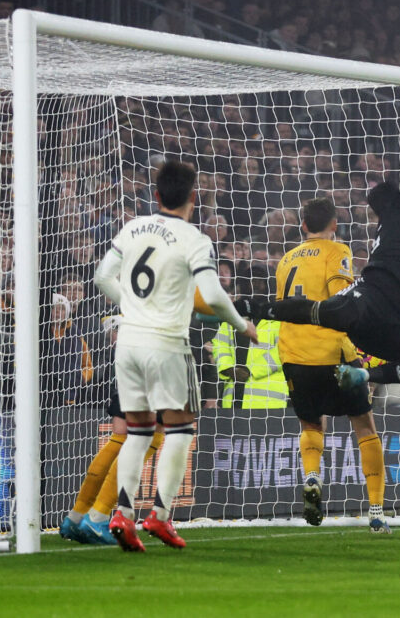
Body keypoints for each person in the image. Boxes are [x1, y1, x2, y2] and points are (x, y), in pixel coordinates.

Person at [234, 73, 400, 389]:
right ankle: (363, 373)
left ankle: (251, 309)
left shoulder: (390, 226)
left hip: (370, 316)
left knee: (313, 312)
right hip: (377, 310)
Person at [93, 160, 258, 551]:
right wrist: (241, 326)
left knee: (137, 430)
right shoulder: (194, 238)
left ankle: (123, 512)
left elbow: (102, 276)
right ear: (194, 197)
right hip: (167, 343)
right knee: (181, 429)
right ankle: (161, 517)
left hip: (128, 344)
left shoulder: (132, 227)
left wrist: (134, 308)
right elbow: (215, 295)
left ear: (156, 195)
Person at [273, 197, 392, 533]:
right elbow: (342, 301)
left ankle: (312, 476)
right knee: (365, 426)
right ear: (335, 224)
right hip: (331, 352)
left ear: (303, 225)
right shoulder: (337, 250)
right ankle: (377, 513)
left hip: (293, 354)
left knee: (311, 425)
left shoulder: (285, 259)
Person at [59, 315, 165, 546]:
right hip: (155, 353)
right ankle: (97, 518)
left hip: (130, 356)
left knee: (120, 438)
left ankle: (76, 517)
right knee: (147, 438)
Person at [211, 318, 288, 408]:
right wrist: (228, 369)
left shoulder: (281, 321)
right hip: (231, 401)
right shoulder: (230, 319)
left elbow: (284, 349)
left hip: (269, 403)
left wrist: (250, 370)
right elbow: (219, 344)